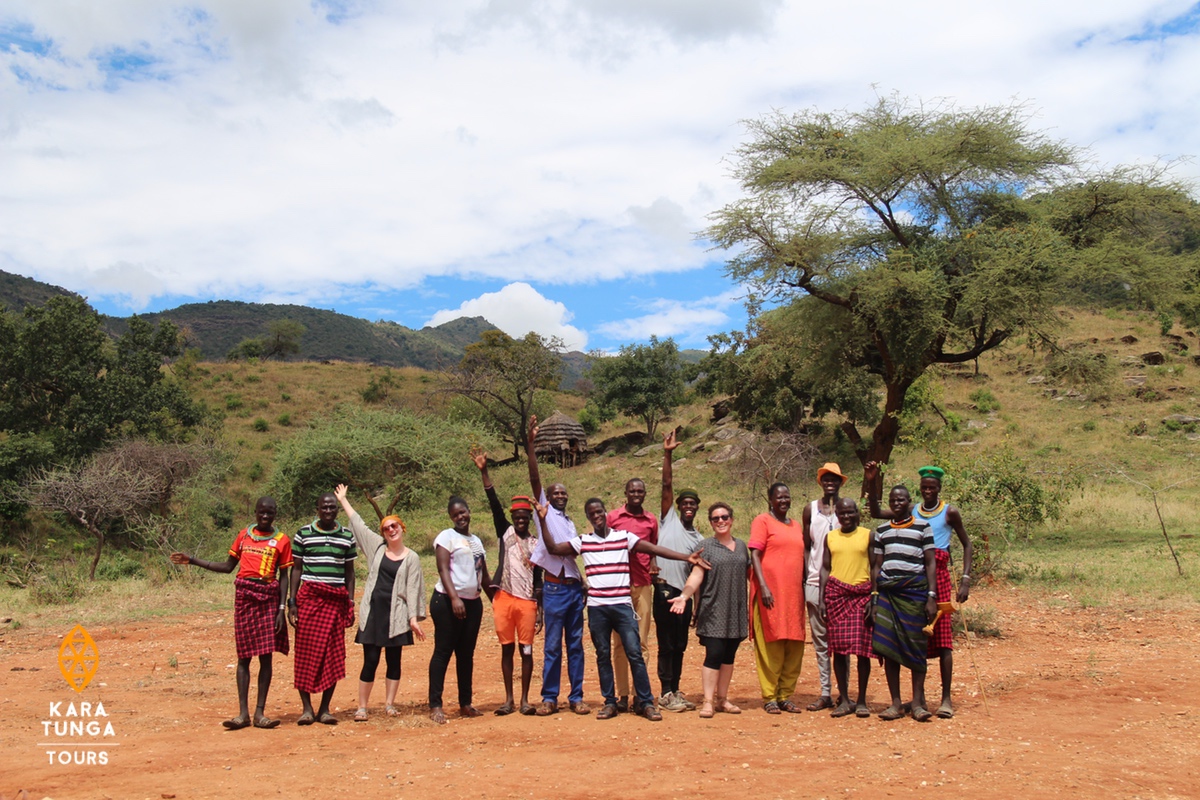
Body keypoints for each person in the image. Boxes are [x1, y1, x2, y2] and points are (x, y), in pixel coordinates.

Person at [534, 496, 709, 721]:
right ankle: (610, 702)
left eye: (599, 512)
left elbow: (653, 548)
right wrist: (544, 521)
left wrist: (686, 557)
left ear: (605, 513)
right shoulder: (583, 541)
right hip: (598, 608)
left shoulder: (623, 537)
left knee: (634, 652)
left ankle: (645, 702)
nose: (597, 516)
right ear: (588, 518)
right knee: (603, 654)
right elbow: (553, 548)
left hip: (622, 605)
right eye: (592, 514)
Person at [169, 497, 291, 729]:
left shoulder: (282, 541)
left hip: (269, 599)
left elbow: (284, 576)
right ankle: (242, 714)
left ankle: (259, 714)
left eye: (270, 513)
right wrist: (192, 560)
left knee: (266, 657)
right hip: (245, 598)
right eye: (262, 513)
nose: (266, 517)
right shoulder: (243, 536)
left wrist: (281, 609)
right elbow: (227, 567)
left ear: (275, 514)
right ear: (255, 513)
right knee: (243, 657)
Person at [865, 462, 972, 718]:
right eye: (924, 487)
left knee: (943, 639)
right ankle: (917, 699)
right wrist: (871, 481)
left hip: (937, 579)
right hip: (908, 582)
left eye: (932, 487)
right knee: (914, 638)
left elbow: (964, 545)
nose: (928, 491)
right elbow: (878, 512)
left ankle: (945, 699)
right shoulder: (911, 510)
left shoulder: (949, 512)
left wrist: (965, 578)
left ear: (939, 488)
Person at [334, 484, 426, 722]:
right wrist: (343, 500)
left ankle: (389, 705)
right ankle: (362, 707)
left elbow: (414, 589)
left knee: (394, 661)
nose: (390, 530)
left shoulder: (412, 558)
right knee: (371, 660)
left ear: (401, 528)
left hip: (396, 615)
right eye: (386, 528)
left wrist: (414, 619)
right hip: (374, 614)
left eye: (394, 526)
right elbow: (358, 525)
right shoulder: (376, 546)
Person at [525, 414, 590, 716]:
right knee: (552, 646)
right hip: (552, 589)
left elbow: (574, 554)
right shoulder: (545, 515)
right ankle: (549, 697)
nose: (560, 495)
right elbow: (535, 478)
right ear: (547, 498)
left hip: (574, 589)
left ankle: (576, 696)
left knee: (575, 645)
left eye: (564, 493)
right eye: (556, 493)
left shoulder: (570, 522)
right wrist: (530, 444)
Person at [472, 447, 543, 716]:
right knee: (507, 649)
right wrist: (484, 472)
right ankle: (509, 700)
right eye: (518, 518)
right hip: (504, 599)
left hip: (527, 602)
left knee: (526, 651)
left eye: (525, 518)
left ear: (530, 520)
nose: (521, 521)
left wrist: (540, 608)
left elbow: (539, 577)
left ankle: (525, 699)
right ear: (513, 519)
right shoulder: (506, 532)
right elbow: (493, 504)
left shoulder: (536, 543)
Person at [668, 501, 750, 719]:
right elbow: (696, 576)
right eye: (716, 519)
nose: (721, 521)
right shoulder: (705, 547)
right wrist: (684, 596)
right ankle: (707, 701)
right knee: (713, 655)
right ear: (711, 523)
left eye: (724, 517)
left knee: (729, 655)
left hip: (736, 609)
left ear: (731, 519)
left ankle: (722, 699)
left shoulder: (742, 546)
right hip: (714, 608)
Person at [868, 484, 939, 721]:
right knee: (890, 649)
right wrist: (875, 597)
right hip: (888, 594)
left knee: (917, 647)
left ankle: (918, 703)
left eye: (901, 500)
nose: (897, 503)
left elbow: (930, 563)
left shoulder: (923, 527)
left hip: (915, 594)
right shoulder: (882, 530)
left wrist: (931, 596)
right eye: (893, 500)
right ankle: (896, 703)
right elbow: (876, 566)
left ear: (909, 502)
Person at [287, 492, 356, 726]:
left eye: (332, 507)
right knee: (305, 654)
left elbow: (349, 572)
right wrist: (292, 602)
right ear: (317, 508)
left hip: (336, 601)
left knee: (333, 655)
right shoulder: (303, 534)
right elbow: (296, 569)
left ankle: (325, 709)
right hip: (310, 599)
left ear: (337, 510)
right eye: (324, 507)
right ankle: (307, 709)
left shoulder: (347, 536)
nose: (328, 510)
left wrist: (351, 602)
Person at [428, 494, 492, 724]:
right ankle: (435, 704)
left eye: (462, 512)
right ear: (451, 517)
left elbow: (483, 574)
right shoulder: (447, 537)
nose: (460, 517)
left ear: (468, 511)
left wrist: (496, 599)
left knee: (466, 655)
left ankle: (465, 703)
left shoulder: (477, 541)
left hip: (473, 603)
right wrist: (455, 598)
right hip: (447, 601)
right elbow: (443, 569)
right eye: (455, 515)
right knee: (443, 652)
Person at [653, 430, 704, 712]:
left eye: (691, 504)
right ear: (677, 507)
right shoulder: (668, 519)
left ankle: (675, 689)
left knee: (681, 644)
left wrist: (695, 604)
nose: (687, 507)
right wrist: (668, 454)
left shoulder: (698, 539)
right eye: (683, 503)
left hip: (683, 596)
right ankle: (664, 692)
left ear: (696, 509)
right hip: (663, 590)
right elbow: (667, 484)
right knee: (666, 643)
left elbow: (697, 575)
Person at [749, 482, 808, 714]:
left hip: (794, 595)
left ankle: (785, 694)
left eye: (787, 497)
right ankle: (770, 696)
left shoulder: (795, 526)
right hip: (770, 594)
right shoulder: (762, 521)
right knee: (771, 643)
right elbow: (754, 553)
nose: (784, 500)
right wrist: (762, 585)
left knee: (794, 643)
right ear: (770, 499)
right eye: (779, 497)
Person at [606, 475, 658, 713]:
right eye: (632, 491)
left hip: (643, 585)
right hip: (619, 587)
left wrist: (654, 564)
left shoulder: (650, 520)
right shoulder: (613, 518)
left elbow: (653, 547)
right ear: (625, 493)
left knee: (641, 642)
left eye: (640, 491)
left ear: (645, 494)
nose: (636, 494)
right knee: (618, 644)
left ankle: (641, 694)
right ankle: (623, 695)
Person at [818, 498, 874, 719]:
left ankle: (861, 700)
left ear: (857, 513)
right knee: (838, 650)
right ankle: (844, 698)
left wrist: (874, 596)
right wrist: (822, 599)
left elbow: (876, 566)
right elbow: (824, 568)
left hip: (862, 595)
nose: (847, 517)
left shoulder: (868, 535)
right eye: (842, 513)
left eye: (851, 512)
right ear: (837, 515)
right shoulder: (830, 537)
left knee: (862, 651)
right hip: (837, 596)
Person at [801, 462, 847, 711]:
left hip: (843, 585)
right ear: (821, 482)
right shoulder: (810, 510)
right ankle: (825, 692)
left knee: (842, 641)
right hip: (815, 582)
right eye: (826, 479)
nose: (830, 482)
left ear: (840, 482)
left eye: (835, 479)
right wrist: (805, 578)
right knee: (821, 642)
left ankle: (845, 692)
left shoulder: (847, 508)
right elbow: (807, 546)